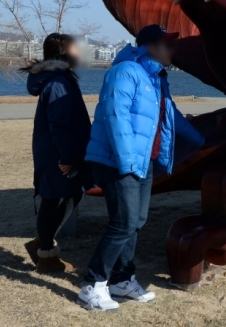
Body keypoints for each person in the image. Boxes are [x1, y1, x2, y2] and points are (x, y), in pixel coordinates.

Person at [77, 25, 205, 311]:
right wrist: (127, 162)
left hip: (142, 160)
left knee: (135, 222)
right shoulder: (125, 72)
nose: (173, 50)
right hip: (118, 162)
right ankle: (92, 285)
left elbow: (170, 115)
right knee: (122, 223)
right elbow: (115, 116)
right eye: (167, 45)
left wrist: (201, 139)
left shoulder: (156, 78)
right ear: (150, 47)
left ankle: (122, 280)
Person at [21, 33, 91, 273]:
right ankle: (47, 256)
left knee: (69, 196)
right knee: (53, 200)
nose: (78, 54)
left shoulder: (60, 79)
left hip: (57, 152)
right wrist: (67, 157)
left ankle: (43, 243)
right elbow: (59, 123)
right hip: (57, 155)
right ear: (62, 53)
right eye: (74, 49)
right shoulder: (58, 82)